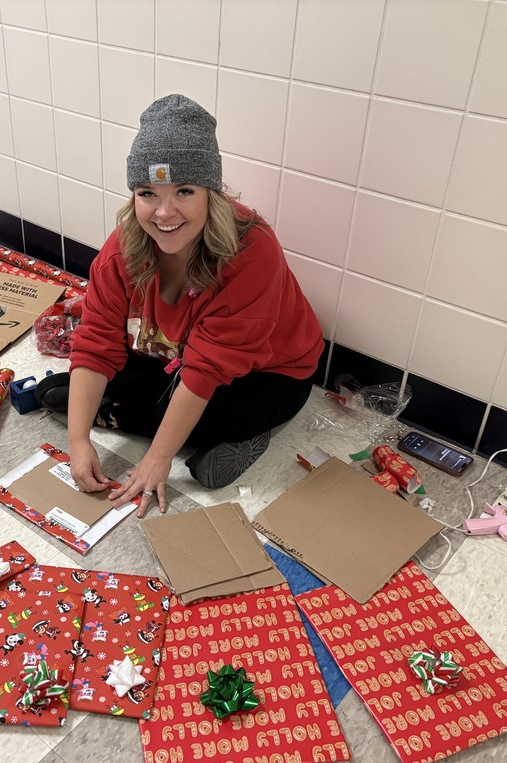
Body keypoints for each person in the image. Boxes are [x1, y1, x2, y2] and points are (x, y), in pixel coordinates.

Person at [37, 94, 324, 518]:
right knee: (95, 383)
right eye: (147, 193)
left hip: (271, 373)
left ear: (211, 194)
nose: (164, 212)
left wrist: (157, 459)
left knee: (196, 413)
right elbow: (97, 337)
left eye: (184, 191)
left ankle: (228, 434)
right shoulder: (124, 248)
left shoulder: (252, 250)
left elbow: (208, 369)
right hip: (175, 354)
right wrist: (78, 441)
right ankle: (131, 413)